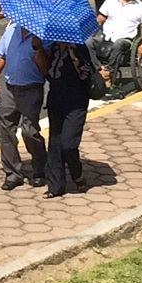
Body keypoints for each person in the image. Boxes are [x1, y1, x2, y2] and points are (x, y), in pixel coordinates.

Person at [37, 36, 106, 197]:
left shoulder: (79, 49)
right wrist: (39, 48)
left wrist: (73, 55)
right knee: (54, 144)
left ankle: (77, 174)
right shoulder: (53, 48)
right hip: (56, 102)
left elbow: (84, 75)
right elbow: (47, 72)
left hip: (75, 104)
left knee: (68, 144)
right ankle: (55, 187)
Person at [0, 22, 47, 191]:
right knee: (5, 130)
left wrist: (39, 48)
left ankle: (39, 169)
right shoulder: (11, 30)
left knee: (30, 131)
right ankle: (13, 173)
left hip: (31, 89)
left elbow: (45, 68)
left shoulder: (41, 35)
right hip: (10, 88)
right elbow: (1, 56)